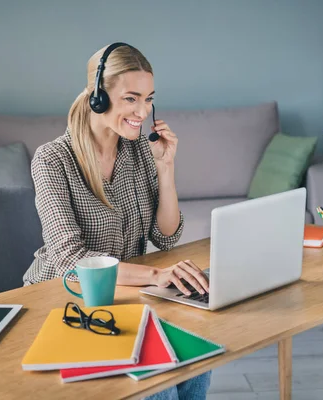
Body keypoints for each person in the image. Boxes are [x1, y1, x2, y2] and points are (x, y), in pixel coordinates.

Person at [22, 42, 211, 399]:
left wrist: (165, 167)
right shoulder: (52, 159)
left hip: (125, 297)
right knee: (159, 389)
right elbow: (69, 260)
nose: (143, 111)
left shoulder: (140, 149)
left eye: (149, 99)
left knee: (198, 357)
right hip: (65, 300)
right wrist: (156, 275)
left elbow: (167, 237)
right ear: (97, 97)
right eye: (131, 98)